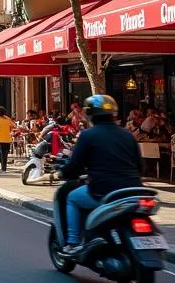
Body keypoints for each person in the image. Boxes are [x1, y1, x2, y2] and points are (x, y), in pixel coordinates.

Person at [59, 94, 143, 258]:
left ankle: (73, 243)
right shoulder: (127, 135)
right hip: (133, 190)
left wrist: (63, 172)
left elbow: (75, 165)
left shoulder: (88, 135)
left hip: (103, 191)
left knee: (72, 198)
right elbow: (141, 166)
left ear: (89, 114)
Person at [0, 107, 17, 172]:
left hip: (0, 139)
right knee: (5, 154)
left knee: (1, 154)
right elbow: (14, 125)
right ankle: (4, 167)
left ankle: (3, 167)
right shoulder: (8, 119)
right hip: (7, 139)